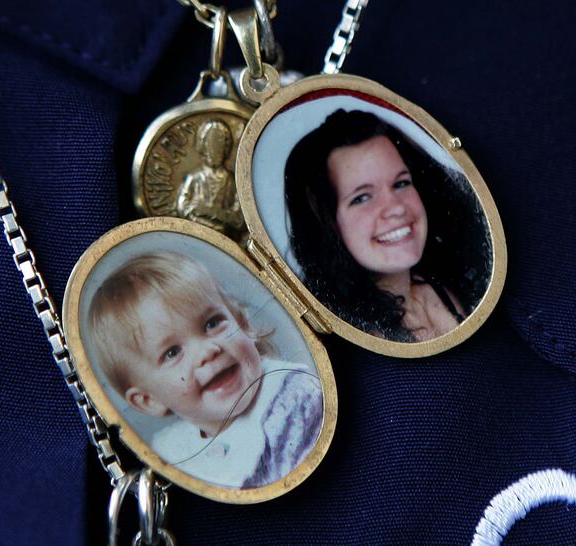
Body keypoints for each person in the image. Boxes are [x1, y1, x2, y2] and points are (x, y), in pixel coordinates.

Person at [87, 252, 323, 488]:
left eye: (212, 323)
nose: (207, 352)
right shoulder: (173, 452)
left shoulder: (292, 398)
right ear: (149, 400)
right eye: (172, 352)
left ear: (243, 323)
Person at [285, 109, 469, 342]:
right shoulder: (352, 342)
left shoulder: (454, 281)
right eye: (362, 197)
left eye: (401, 183)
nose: (396, 208)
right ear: (325, 225)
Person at [176, 119, 246, 238]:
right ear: (203, 146)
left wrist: (208, 211)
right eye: (211, 143)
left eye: (219, 144)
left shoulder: (233, 182)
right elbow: (182, 207)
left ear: (226, 148)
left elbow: (239, 219)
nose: (215, 149)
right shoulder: (194, 178)